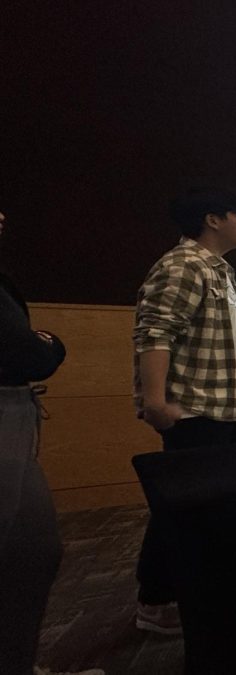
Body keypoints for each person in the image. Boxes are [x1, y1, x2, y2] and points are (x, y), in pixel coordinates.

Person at [132, 188, 236, 634]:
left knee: (203, 509)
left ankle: (188, 591)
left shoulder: (219, 270)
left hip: (223, 408)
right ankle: (156, 600)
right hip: (194, 410)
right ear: (213, 219)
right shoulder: (183, 265)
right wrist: (156, 400)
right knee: (181, 508)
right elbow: (155, 332)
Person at [0, 212, 103, 675]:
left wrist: (40, 346)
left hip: (17, 414)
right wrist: (47, 346)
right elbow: (23, 350)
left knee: (35, 550)